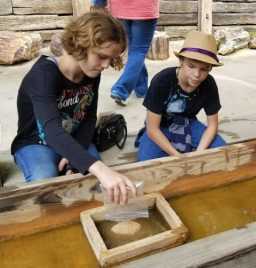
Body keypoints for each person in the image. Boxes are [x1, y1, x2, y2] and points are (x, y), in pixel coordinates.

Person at [11, 11, 136, 205]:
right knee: (45, 179)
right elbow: (51, 129)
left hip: (74, 137)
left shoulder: (92, 72)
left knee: (89, 180)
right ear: (80, 44)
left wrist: (75, 157)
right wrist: (97, 166)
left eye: (110, 59)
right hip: (35, 142)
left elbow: (88, 118)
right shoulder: (43, 75)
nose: (105, 65)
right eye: (102, 56)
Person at [137, 30, 227, 161]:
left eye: (204, 69)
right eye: (191, 66)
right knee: (146, 162)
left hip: (189, 123)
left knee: (222, 150)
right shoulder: (161, 81)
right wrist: (179, 157)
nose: (197, 74)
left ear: (210, 68)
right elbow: (152, 128)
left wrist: (198, 154)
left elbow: (212, 125)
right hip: (161, 126)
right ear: (181, 60)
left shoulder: (209, 84)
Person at [109, 0, 159, 106]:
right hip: (144, 8)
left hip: (119, 8)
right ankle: (120, 90)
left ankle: (141, 90)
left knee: (134, 49)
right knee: (139, 50)